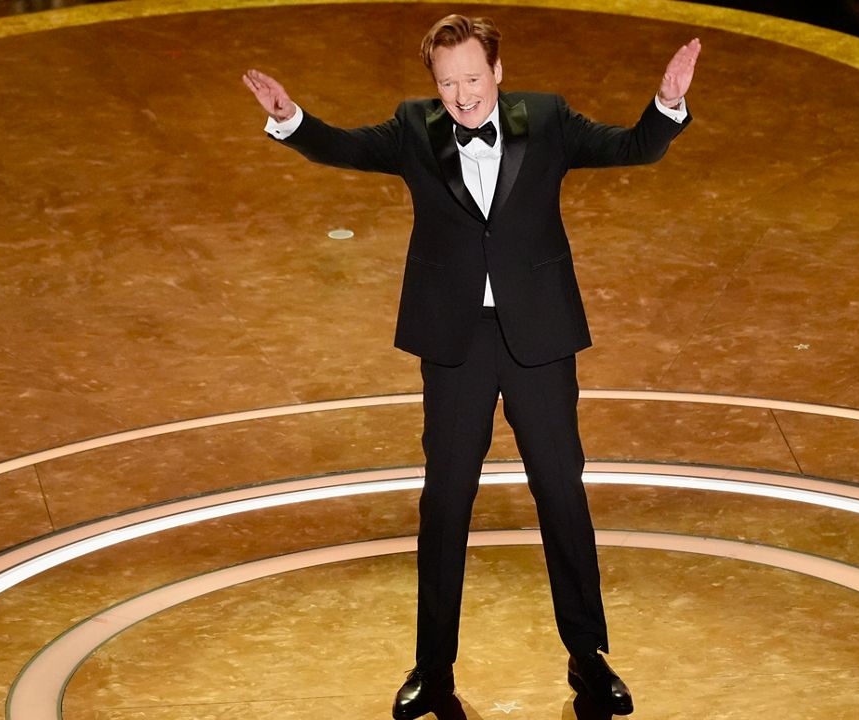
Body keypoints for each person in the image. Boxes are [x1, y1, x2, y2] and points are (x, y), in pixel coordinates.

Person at [243, 14, 698, 718]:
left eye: (473, 79)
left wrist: (667, 105)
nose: (461, 96)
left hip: (539, 338)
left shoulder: (544, 119)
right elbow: (342, 147)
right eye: (448, 82)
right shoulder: (412, 128)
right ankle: (432, 669)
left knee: (562, 496)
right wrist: (290, 118)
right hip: (455, 343)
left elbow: (632, 147)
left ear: (498, 72)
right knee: (445, 502)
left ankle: (587, 658)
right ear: (434, 83)